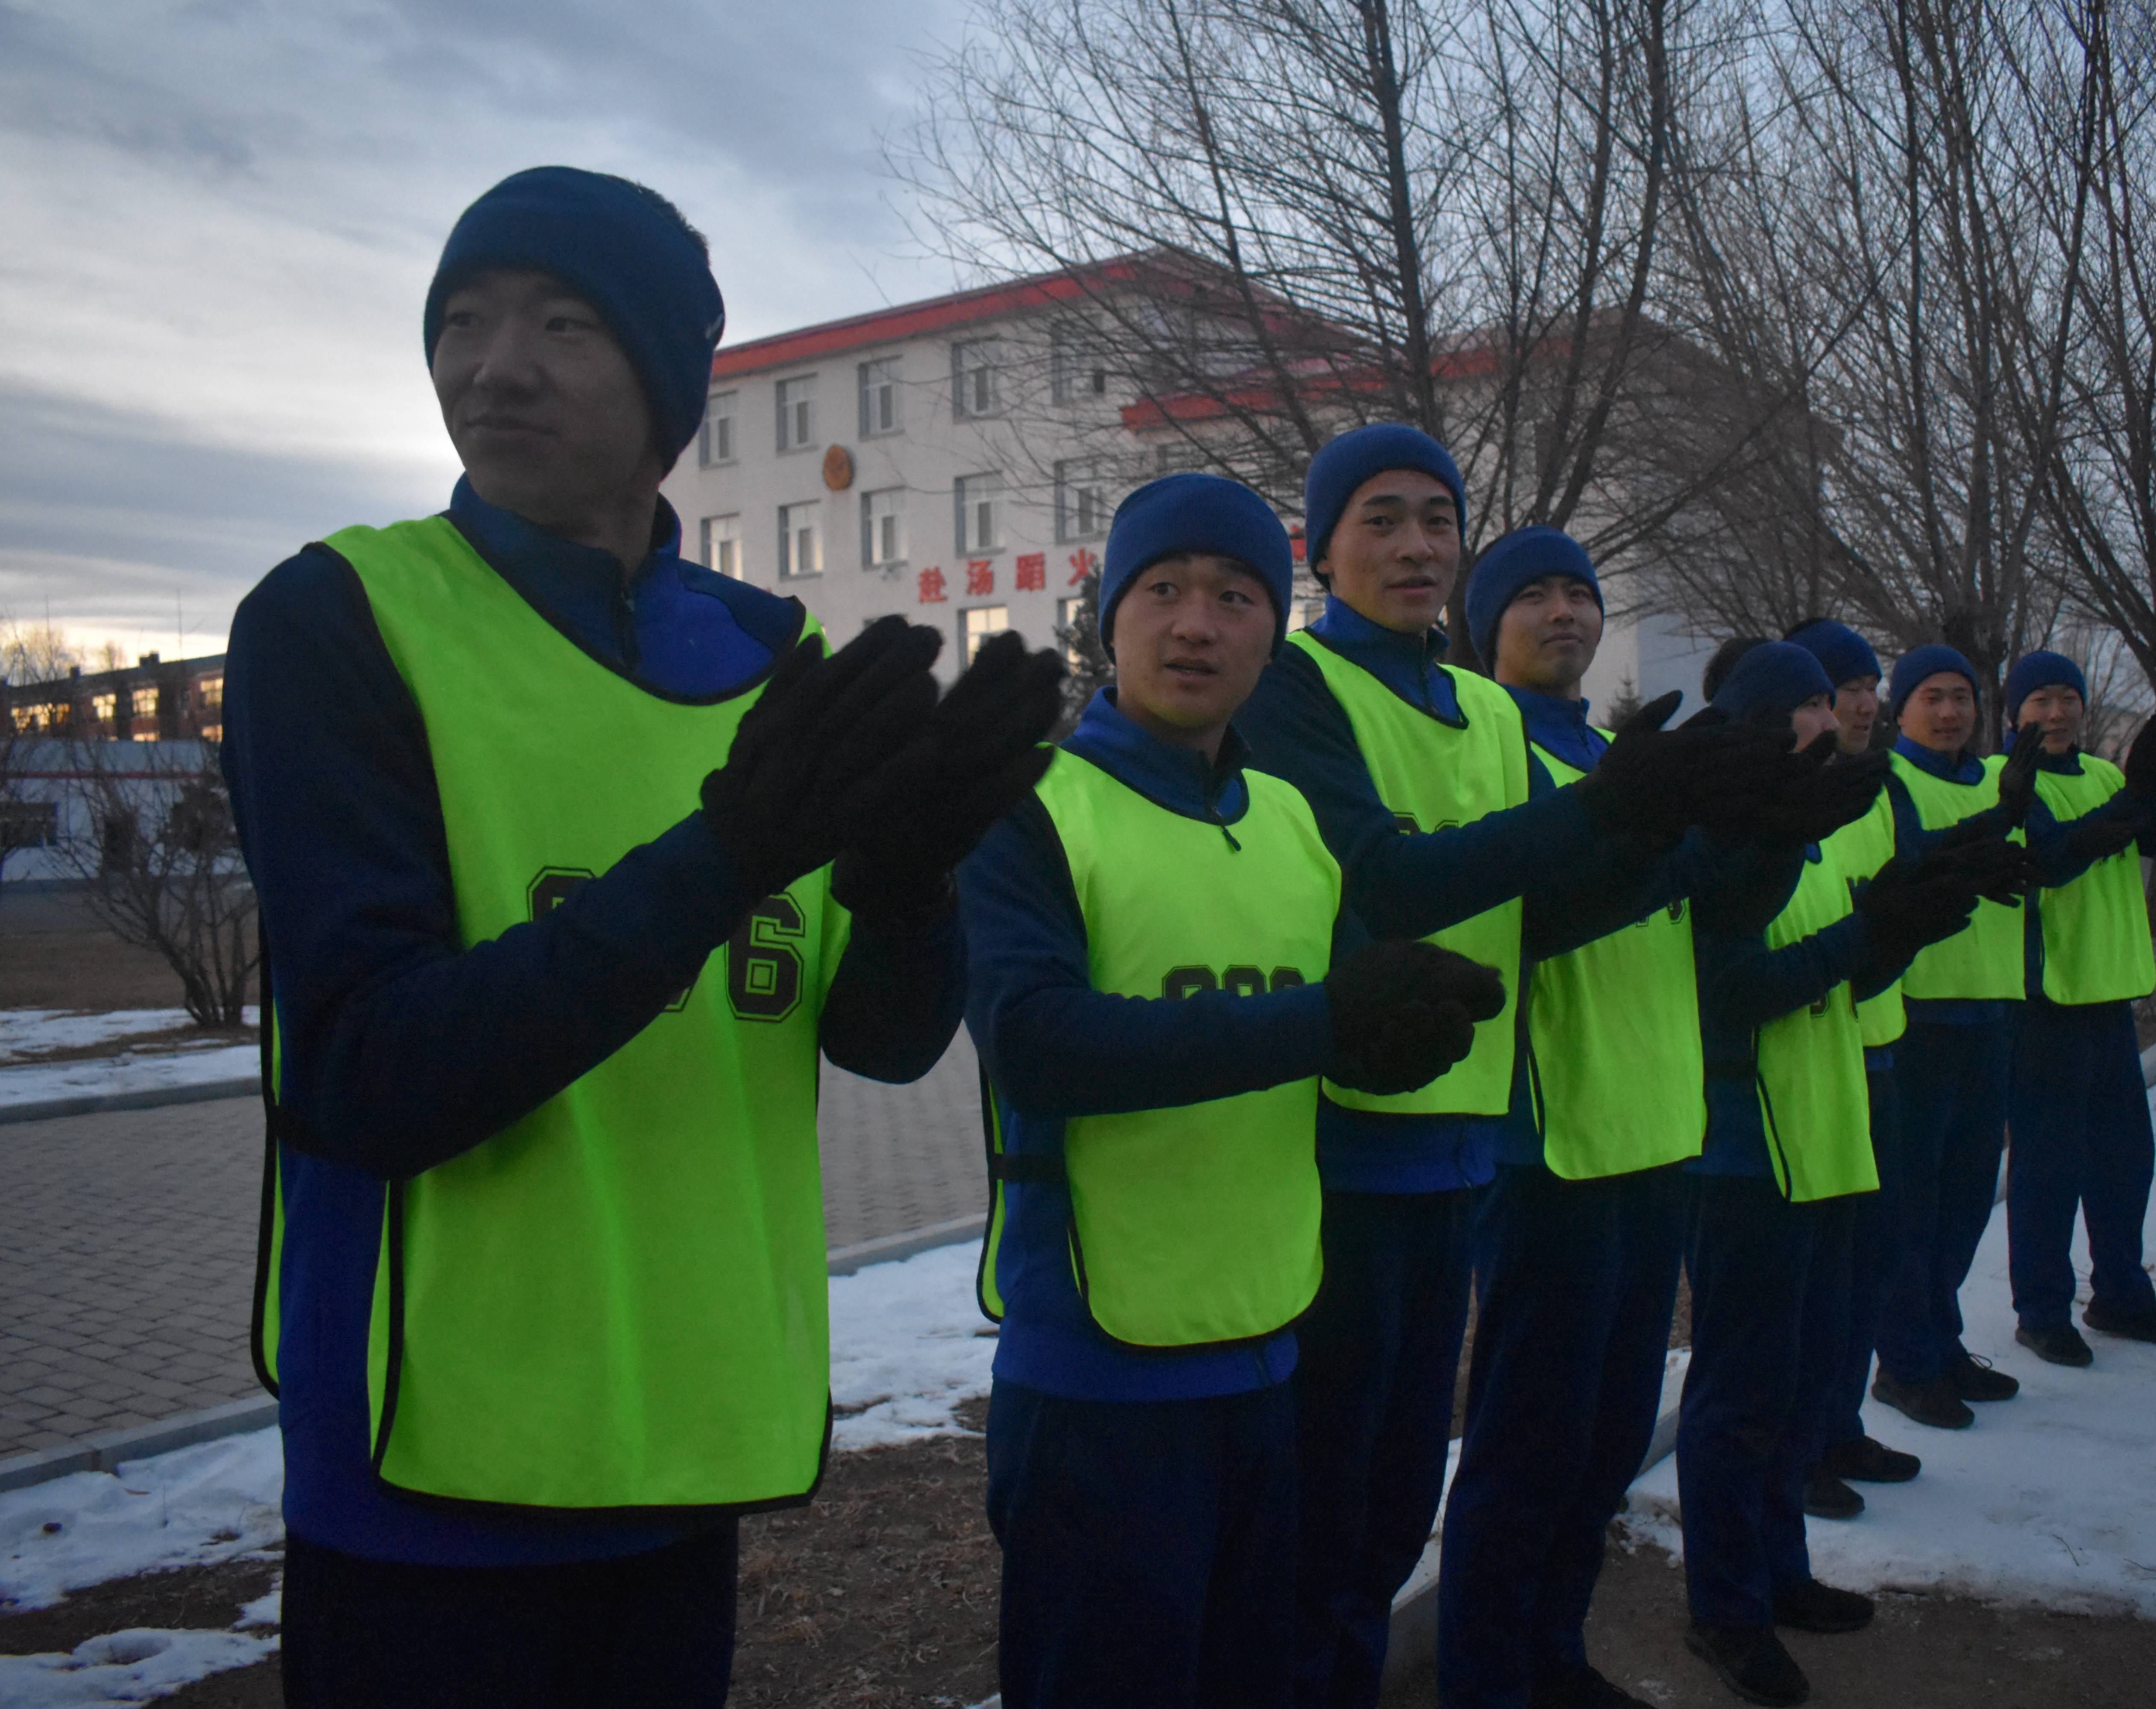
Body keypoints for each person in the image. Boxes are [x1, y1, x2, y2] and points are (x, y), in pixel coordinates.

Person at [223, 166, 1062, 1707]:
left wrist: (909, 883)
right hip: (431, 1469)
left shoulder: (769, 655)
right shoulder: (340, 619)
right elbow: (370, 1077)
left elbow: (879, 1047)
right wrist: (725, 851)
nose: (496, 364)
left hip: (687, 1431)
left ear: (669, 381)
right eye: (461, 320)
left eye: (563, 321)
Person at [1229, 426, 1830, 1708]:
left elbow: (1542, 916)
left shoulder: (1487, 711)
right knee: (1335, 1515)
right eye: (1379, 519)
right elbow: (1386, 884)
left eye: (1436, 519)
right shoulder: (1298, 686)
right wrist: (1614, 816)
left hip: (1459, 1139)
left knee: (1402, 1507)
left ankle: (1530, 1666)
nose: (1412, 545)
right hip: (1356, 1148)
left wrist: (1727, 836)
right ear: (1324, 547)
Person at [959, 473, 1501, 1705]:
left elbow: (1344, 1022)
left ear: (1275, 628)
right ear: (1109, 615)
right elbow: (1038, 1043)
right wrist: (1325, 1023)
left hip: (1273, 1360)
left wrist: (1393, 1034)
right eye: (1163, 591)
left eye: (1235, 596)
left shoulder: (1297, 826)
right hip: (1099, 1379)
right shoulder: (1034, 810)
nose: (1196, 624)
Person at [1437, 531, 1798, 1709]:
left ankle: (1554, 1654)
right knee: (1525, 1448)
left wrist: (1773, 828)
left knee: (1598, 1447)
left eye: (1579, 594)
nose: (1563, 613)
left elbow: (1712, 917)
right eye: (1531, 596)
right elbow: (1522, 907)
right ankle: (1488, 1679)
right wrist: (1638, 829)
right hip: (1550, 1145)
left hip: (1655, 1134)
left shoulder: (1610, 750)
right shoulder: (1488, 755)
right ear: (1483, 626)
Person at [1672, 642, 1985, 1709]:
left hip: (1822, 1140)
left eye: (1827, 699)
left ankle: (1779, 1570)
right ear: (1758, 730)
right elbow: (1730, 993)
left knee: (1802, 1383)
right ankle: (1724, 1604)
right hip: (1742, 1150)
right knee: (1739, 1394)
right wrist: (1869, 930)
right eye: (1804, 705)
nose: (1831, 716)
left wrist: (1902, 922)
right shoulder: (1717, 843)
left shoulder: (1803, 846)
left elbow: (1839, 988)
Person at [2000, 653, 2156, 1365]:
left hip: (2109, 998)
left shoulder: (2109, 776)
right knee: (2047, 1168)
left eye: (2068, 699)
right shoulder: (2012, 785)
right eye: (2040, 701)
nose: (2057, 714)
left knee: (2124, 1161)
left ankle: (2121, 1293)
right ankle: (2042, 1310)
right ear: (2015, 711)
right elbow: (2050, 859)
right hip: (2045, 1001)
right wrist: (2126, 808)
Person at [1869, 644, 2043, 1432]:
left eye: (1962, 698)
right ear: (1899, 709)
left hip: (1991, 1015)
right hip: (1920, 1021)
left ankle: (1942, 1343)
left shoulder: (2000, 781)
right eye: (1931, 698)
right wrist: (1997, 823)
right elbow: (1906, 873)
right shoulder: (1889, 785)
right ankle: (1904, 1362)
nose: (1949, 713)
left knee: (1968, 1200)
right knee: (1913, 1204)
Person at [1781, 620, 1918, 1522]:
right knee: (1807, 1278)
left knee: (1866, 1260)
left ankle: (1838, 1419)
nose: (1862, 703)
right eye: (1839, 689)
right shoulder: (1787, 797)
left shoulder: (1887, 790)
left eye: (1869, 683)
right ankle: (1796, 1443)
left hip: (1880, 1041)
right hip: (1813, 1058)